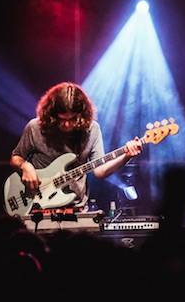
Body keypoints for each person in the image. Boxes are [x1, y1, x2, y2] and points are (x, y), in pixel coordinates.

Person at [10, 82, 142, 212]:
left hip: (76, 209)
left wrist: (126, 156)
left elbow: (100, 171)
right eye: (62, 119)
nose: (67, 124)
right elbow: (16, 157)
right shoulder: (35, 127)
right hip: (37, 208)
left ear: (82, 115)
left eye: (72, 119)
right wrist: (25, 166)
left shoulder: (91, 130)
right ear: (52, 115)